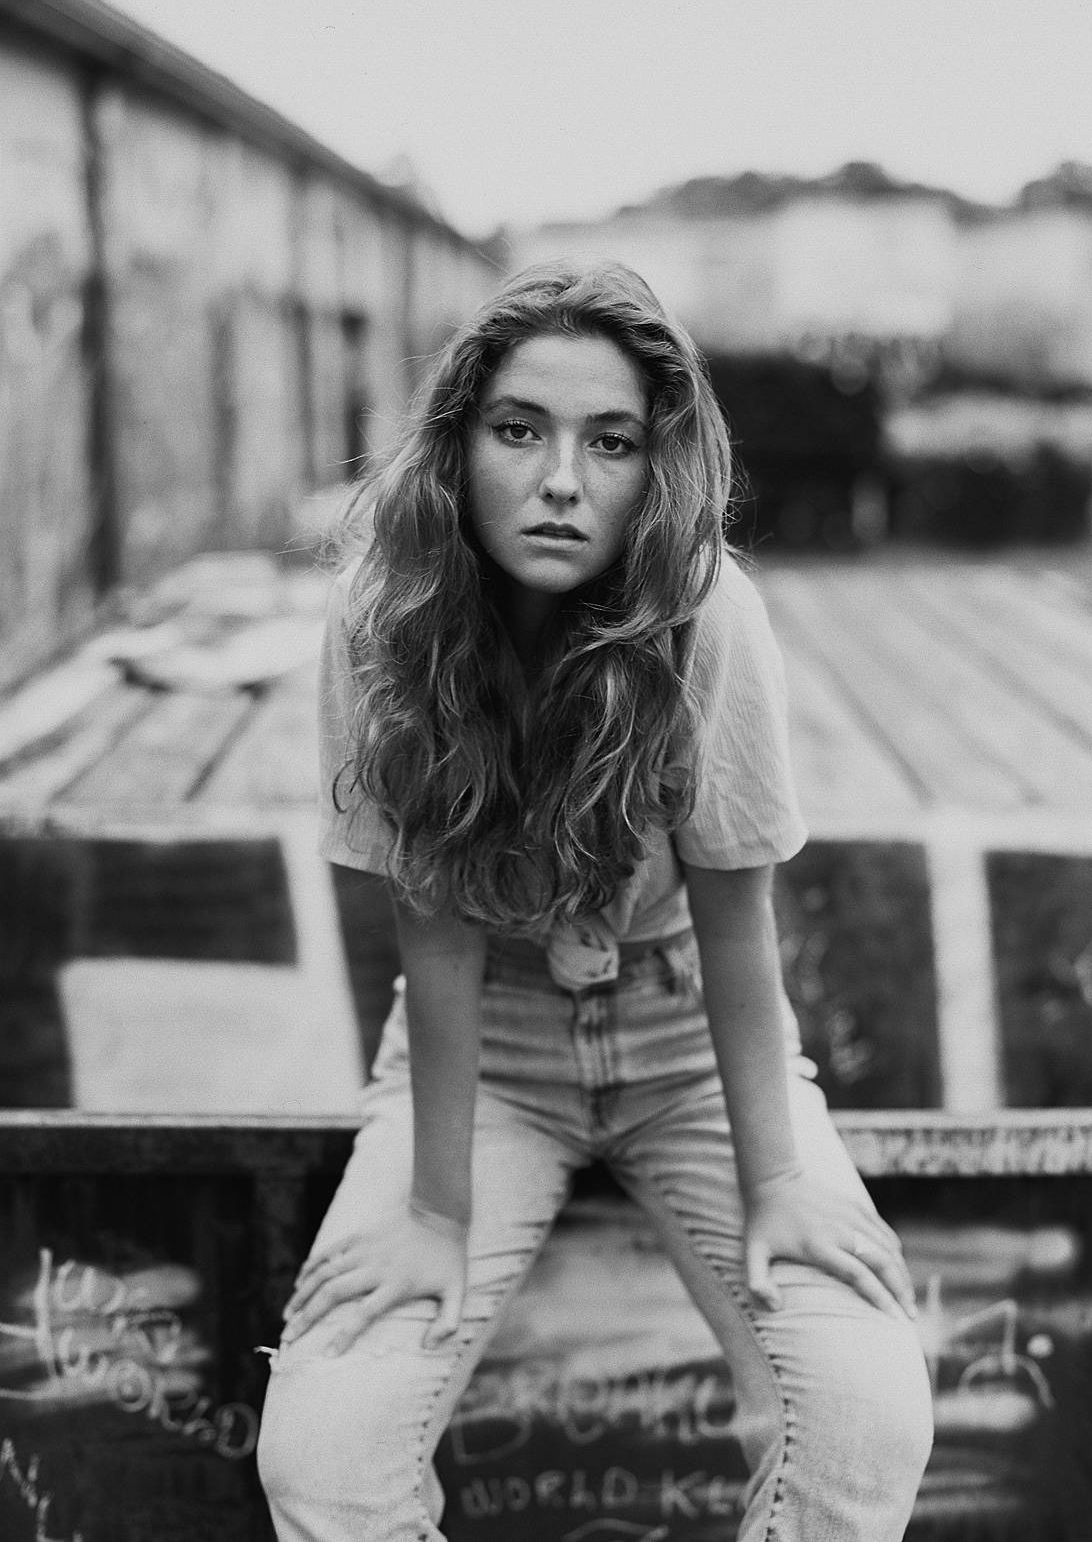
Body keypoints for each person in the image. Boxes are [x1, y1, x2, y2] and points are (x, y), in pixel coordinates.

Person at [256, 262, 933, 1541]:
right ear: (458, 446)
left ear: (656, 465)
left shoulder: (709, 615)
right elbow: (434, 931)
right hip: (485, 1058)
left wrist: (776, 1179)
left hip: (691, 1042)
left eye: (610, 441)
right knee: (325, 1451)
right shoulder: (380, 617)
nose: (562, 478)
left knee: (866, 1411)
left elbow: (739, 926)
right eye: (520, 429)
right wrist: (438, 1214)